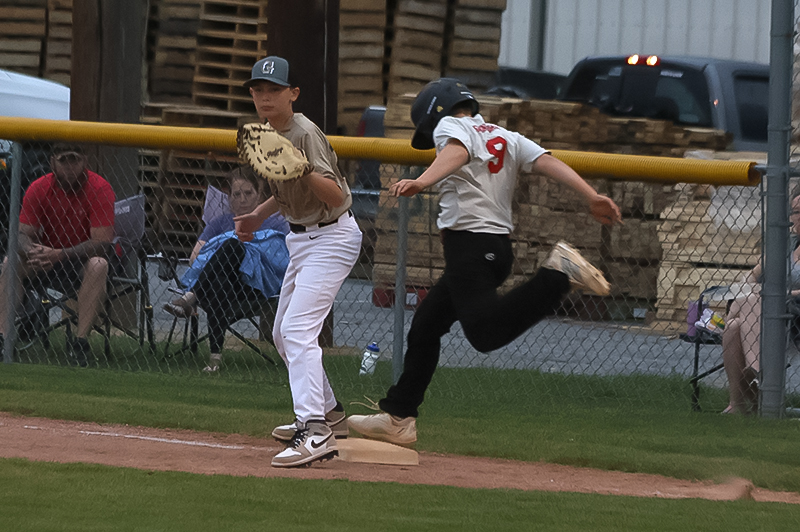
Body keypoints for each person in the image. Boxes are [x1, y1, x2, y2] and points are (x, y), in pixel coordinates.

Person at [347, 78, 622, 446]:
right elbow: (546, 162)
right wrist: (591, 195)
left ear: (437, 113)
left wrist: (422, 181)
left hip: (472, 248)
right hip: (492, 249)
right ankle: (399, 417)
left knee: (485, 334)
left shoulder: (450, 125)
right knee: (426, 326)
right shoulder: (504, 135)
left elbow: (457, 152)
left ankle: (558, 274)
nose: (435, 138)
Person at [234, 56, 362, 467]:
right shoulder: (268, 132)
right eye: (258, 90)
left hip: (332, 237)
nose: (265, 97)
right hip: (303, 239)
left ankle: (315, 430)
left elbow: (335, 195)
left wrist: (303, 169)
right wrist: (258, 215)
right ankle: (330, 413)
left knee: (297, 330)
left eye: (274, 90)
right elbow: (286, 187)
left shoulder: (304, 133)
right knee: (281, 334)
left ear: (293, 93)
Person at [163, 167, 290, 372]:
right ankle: (215, 360)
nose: (242, 199)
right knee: (220, 279)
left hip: (254, 287)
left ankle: (191, 296)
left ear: (259, 194)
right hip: (220, 286)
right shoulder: (219, 223)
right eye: (236, 194)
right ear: (229, 198)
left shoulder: (274, 224)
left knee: (234, 244)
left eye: (248, 193)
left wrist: (243, 248)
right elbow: (195, 257)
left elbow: (281, 258)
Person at [0, 143, 115, 367]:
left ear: (85, 161)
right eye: (63, 160)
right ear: (52, 162)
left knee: (99, 264)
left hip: (80, 261)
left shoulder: (100, 188)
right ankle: (3, 338)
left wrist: (60, 254)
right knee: (10, 261)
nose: (70, 166)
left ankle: (80, 343)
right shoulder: (39, 187)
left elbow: (101, 244)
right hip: (45, 259)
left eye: (75, 159)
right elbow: (21, 234)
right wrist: (32, 250)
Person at [721, 193, 800, 414]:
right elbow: (751, 276)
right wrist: (757, 288)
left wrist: (780, 294)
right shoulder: (786, 246)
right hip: (767, 312)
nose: (799, 217)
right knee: (733, 326)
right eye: (796, 212)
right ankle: (739, 403)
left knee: (751, 301)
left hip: (795, 316)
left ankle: (756, 372)